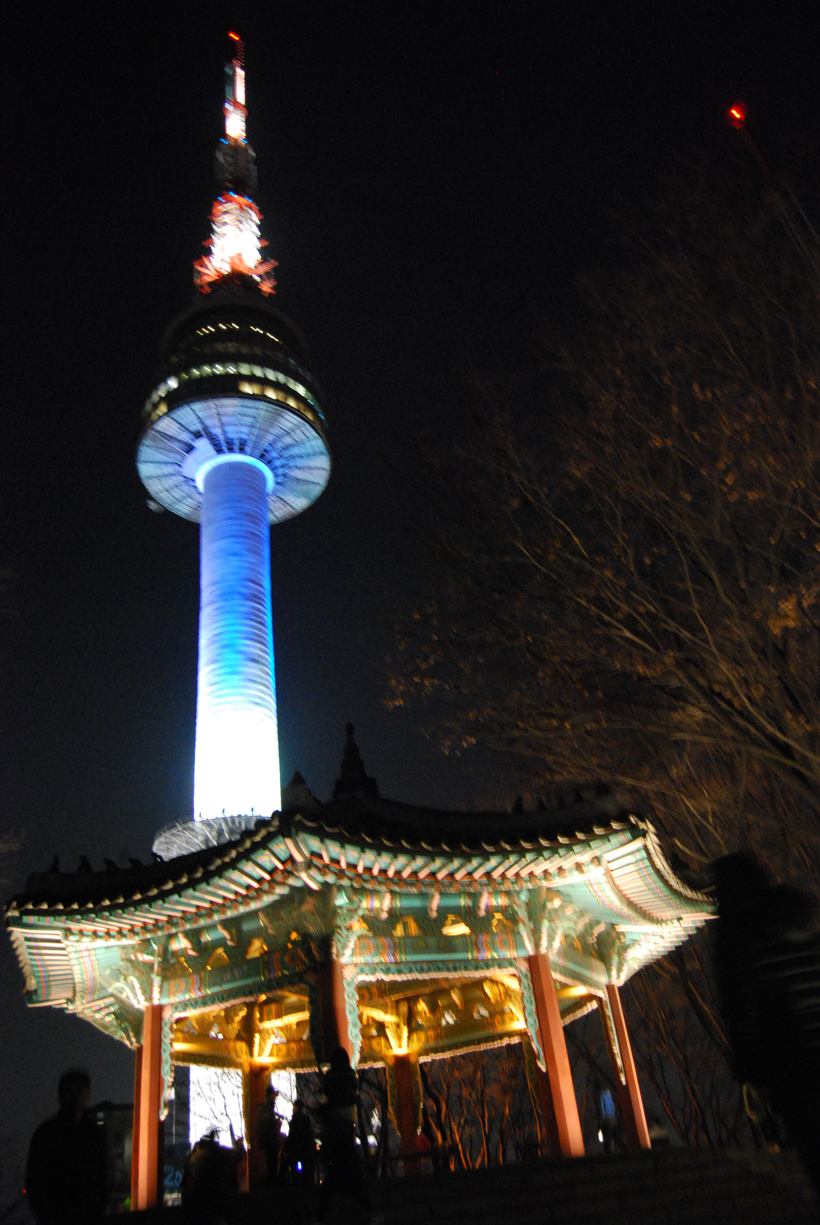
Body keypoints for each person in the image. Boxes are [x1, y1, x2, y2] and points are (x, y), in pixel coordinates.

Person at [714, 853, 820, 1193]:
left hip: (795, 1066)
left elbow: (742, 1009)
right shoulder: (804, 925)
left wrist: (750, 1069)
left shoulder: (742, 940)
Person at [25, 1068, 105, 1225]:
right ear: (61, 1095)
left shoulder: (94, 1134)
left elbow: (103, 1176)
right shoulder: (46, 1134)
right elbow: (34, 1180)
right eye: (72, 1090)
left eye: (80, 1090)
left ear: (87, 1095)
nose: (76, 1096)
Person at [315, 1047, 374, 1223]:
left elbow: (326, 1094)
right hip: (348, 1126)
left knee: (332, 1178)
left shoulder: (330, 1077)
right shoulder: (350, 1076)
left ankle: (321, 1217)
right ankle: (370, 1212)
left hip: (335, 1127)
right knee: (353, 1177)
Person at [256, 1084, 284, 1187]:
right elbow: (269, 1126)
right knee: (271, 1165)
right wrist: (276, 1126)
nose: (275, 1097)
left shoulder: (265, 1109)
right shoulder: (268, 1109)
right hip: (270, 1141)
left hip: (268, 1141)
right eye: (273, 1095)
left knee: (270, 1164)